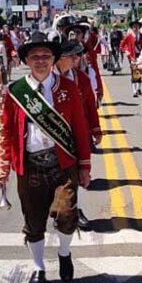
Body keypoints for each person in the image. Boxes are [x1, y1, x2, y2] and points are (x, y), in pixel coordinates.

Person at [0, 32, 91, 283]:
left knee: (66, 215)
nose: (40, 61)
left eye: (46, 56)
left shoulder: (68, 89)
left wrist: (84, 166)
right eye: (35, 56)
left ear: (53, 59)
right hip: (30, 166)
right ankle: (39, 268)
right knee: (34, 222)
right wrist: (3, 167)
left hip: (62, 165)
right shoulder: (16, 92)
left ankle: (64, 252)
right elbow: (5, 131)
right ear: (26, 59)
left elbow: (80, 129)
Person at [55, 39, 102, 231]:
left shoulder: (82, 78)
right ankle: (58, 209)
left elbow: (90, 104)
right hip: (55, 133)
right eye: (72, 55)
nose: (77, 59)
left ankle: (76, 209)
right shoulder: (48, 78)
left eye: (78, 55)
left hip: (77, 133)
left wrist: (95, 128)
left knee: (76, 174)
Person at [122, 20, 142, 97]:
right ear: (132, 28)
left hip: (141, 56)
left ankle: (139, 88)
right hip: (132, 56)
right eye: (134, 27)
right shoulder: (129, 36)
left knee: (141, 72)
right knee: (134, 72)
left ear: (139, 27)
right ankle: (134, 90)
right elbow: (122, 45)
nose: (135, 28)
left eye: (137, 27)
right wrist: (126, 51)